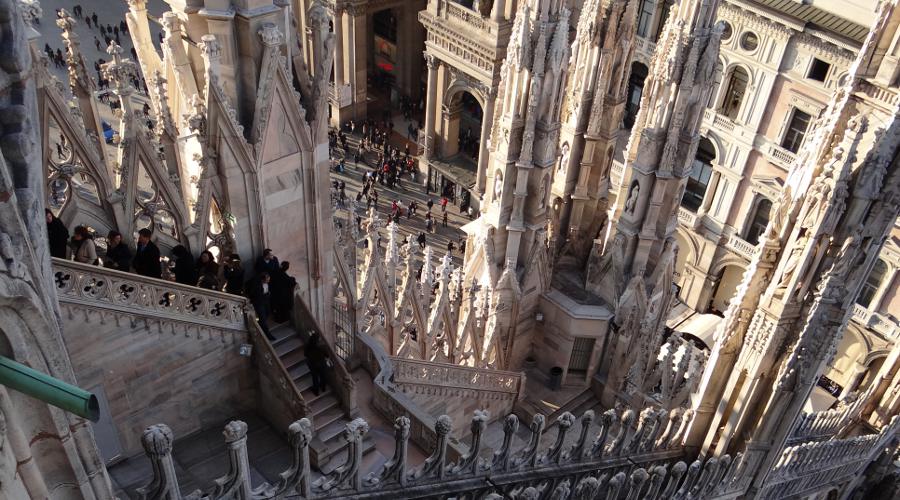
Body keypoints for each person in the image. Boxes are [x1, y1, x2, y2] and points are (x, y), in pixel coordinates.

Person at [249, 272, 274, 340]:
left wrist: (268, 295)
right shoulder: (257, 286)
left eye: (269, 279)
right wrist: (266, 295)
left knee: (267, 314)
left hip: (266, 302)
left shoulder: (267, 284)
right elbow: (256, 296)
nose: (269, 280)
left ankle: (260, 325)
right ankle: (268, 334)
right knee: (262, 319)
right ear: (263, 279)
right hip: (259, 304)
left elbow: (267, 291)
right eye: (267, 279)